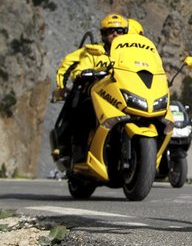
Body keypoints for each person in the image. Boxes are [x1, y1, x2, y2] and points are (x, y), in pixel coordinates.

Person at [51, 13, 133, 160]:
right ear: (103, 34)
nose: (115, 34)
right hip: (98, 95)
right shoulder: (93, 52)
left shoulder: (132, 55)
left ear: (126, 33)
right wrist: (83, 74)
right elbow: (77, 68)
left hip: (124, 95)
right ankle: (73, 148)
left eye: (119, 31)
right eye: (110, 31)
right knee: (83, 104)